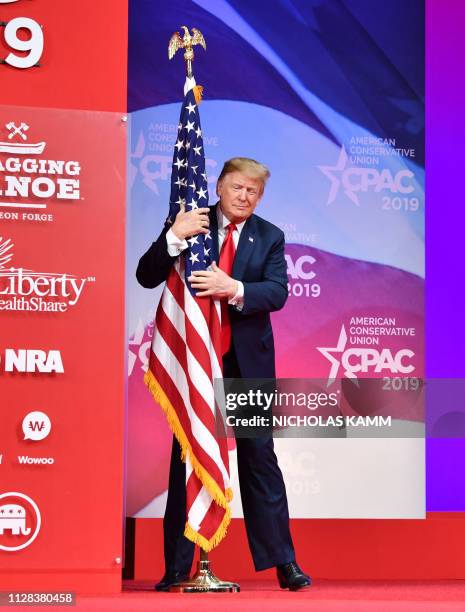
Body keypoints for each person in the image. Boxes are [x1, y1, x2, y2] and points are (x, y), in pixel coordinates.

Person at [136, 157, 311, 591]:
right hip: (196, 361)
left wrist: (233, 288)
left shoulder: (270, 236)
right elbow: (145, 275)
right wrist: (174, 237)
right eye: (237, 187)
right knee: (189, 459)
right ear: (218, 186)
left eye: (253, 191)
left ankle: (283, 563)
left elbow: (277, 292)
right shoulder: (189, 219)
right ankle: (177, 568)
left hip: (245, 367)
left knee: (259, 460)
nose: (244, 196)